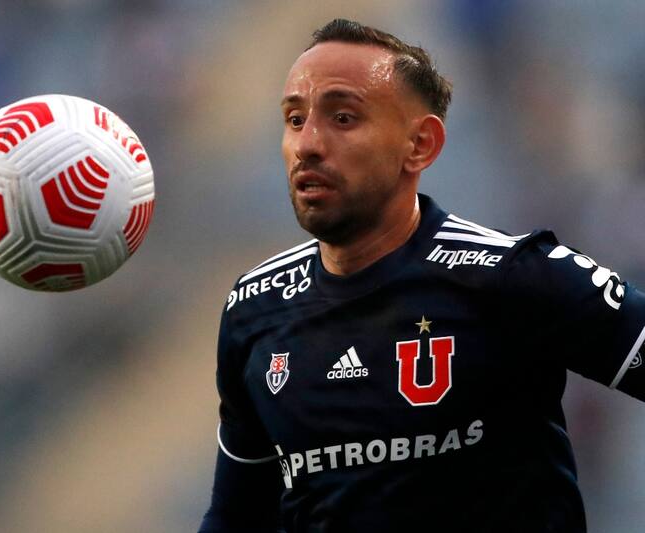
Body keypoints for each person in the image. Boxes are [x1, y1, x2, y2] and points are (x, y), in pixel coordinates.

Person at [199, 18, 645, 533]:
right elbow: (236, 515)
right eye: (295, 120)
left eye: (342, 118)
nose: (308, 145)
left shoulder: (511, 276)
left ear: (421, 145)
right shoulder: (254, 308)